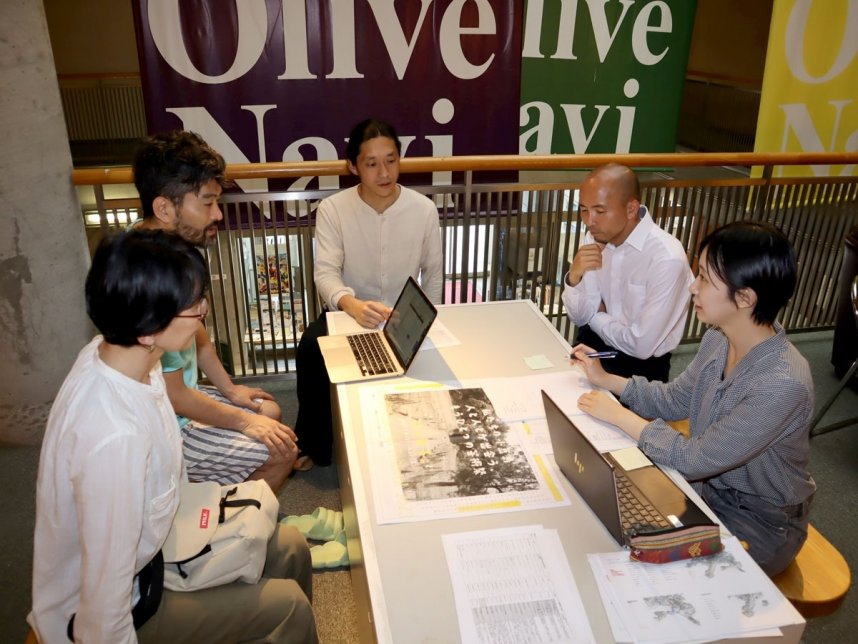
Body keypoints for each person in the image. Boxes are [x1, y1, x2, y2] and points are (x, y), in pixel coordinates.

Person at [28, 230, 317, 643]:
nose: (204, 310)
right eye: (193, 306)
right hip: (127, 603)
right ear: (148, 327)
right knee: (289, 606)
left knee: (290, 545)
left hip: (158, 548)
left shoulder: (119, 355)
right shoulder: (114, 438)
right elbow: (104, 602)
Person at [572, 222, 815, 576]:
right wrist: (607, 380)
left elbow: (694, 458)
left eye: (704, 278)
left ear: (745, 298)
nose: (692, 286)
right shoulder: (718, 339)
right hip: (706, 492)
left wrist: (620, 416)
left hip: (762, 523)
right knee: (607, 523)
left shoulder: (782, 382)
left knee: (644, 573)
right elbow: (674, 400)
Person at [134, 130, 297, 491]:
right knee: (281, 448)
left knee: (268, 411)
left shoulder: (163, 251)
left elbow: (195, 331)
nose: (218, 214)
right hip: (165, 424)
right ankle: (232, 526)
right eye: (207, 203)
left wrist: (231, 390)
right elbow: (174, 395)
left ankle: (231, 505)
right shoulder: (148, 276)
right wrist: (242, 422)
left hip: (175, 399)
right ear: (164, 208)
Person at [293, 118, 443, 468]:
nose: (384, 172)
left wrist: (432, 320)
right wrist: (351, 304)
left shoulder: (423, 209)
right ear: (353, 166)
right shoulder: (334, 209)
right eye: (371, 163)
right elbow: (325, 272)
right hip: (349, 312)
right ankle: (316, 445)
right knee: (310, 350)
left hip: (402, 317)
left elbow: (433, 274)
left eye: (391, 160)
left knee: (429, 365)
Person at [562, 163, 693, 381]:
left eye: (600, 211)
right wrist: (574, 278)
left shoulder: (666, 258)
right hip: (592, 345)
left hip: (641, 369)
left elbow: (641, 345)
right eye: (584, 209)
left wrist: (596, 316)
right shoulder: (596, 236)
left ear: (631, 209)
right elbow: (580, 316)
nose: (589, 220)